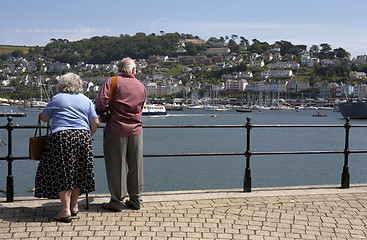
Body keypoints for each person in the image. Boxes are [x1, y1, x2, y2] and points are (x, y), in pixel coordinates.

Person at [35, 73, 99, 223]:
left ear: (62, 84)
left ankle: (65, 210)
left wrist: (41, 113)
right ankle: (74, 206)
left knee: (63, 172)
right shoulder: (86, 100)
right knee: (78, 171)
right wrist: (88, 135)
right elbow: (95, 122)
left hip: (62, 137)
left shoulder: (57, 98)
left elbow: (44, 118)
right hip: (83, 136)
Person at [96, 57, 146, 211]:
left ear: (119, 68)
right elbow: (141, 106)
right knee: (136, 166)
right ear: (132, 70)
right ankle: (136, 199)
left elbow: (100, 104)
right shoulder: (140, 86)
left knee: (116, 166)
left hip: (115, 129)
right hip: (136, 130)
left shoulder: (111, 82)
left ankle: (117, 201)